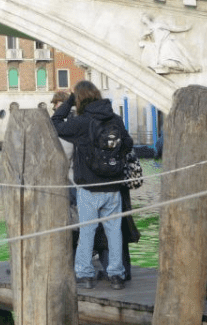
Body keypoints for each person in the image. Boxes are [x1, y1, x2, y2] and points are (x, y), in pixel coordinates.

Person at [52, 80, 133, 290]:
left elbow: (55, 122)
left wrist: (69, 99)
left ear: (79, 99)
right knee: (114, 232)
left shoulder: (81, 122)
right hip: (112, 186)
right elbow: (128, 144)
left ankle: (85, 275)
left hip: (89, 187)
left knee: (87, 232)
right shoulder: (114, 118)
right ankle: (116, 276)